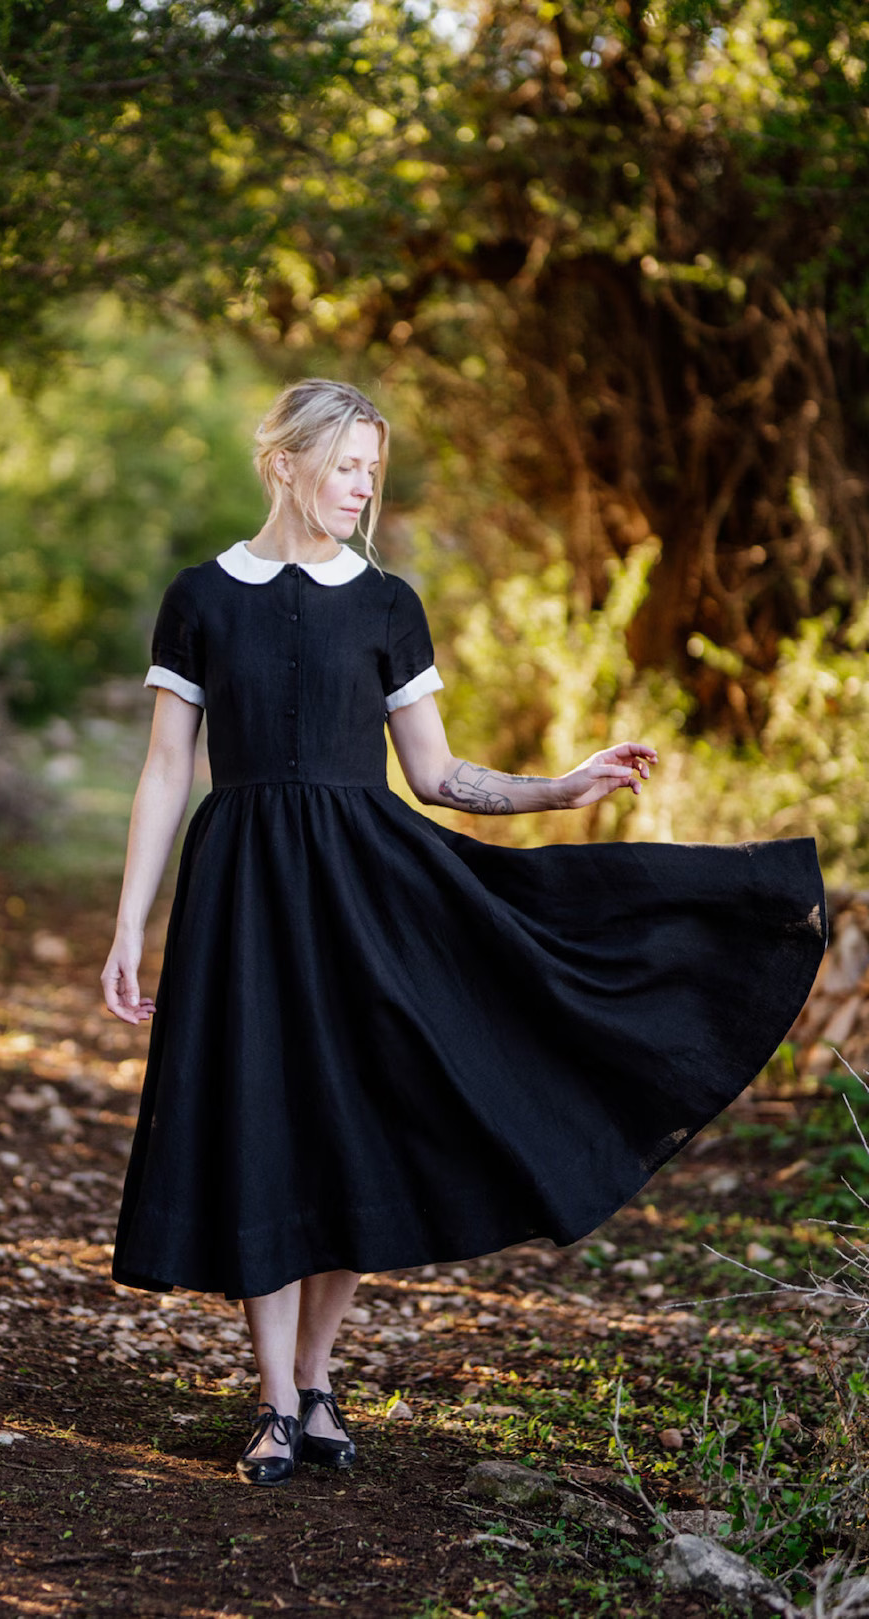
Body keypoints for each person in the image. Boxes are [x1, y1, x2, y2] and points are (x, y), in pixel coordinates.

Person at [102, 378, 826, 1487]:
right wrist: (127, 924)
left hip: (366, 888)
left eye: (371, 471)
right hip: (241, 886)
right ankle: (275, 1401)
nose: (361, 487)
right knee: (263, 1112)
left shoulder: (388, 604)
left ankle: (321, 1375)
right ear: (284, 461)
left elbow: (437, 774)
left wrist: (557, 787)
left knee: (355, 1116)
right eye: (345, 465)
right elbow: (165, 770)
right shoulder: (202, 598)